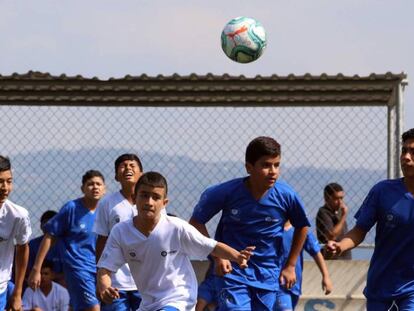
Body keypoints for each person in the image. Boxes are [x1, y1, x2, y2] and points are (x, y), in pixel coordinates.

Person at [97, 172, 255, 311]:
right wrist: (105, 288)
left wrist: (237, 256)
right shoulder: (121, 231)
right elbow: (105, 269)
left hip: (179, 298)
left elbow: (211, 246)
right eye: (144, 195)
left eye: (156, 197)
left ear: (164, 203)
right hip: (148, 304)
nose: (149, 202)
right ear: (134, 198)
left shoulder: (177, 228)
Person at [189, 136, 311, 310]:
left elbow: (302, 226)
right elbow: (195, 222)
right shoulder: (225, 192)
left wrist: (290, 265)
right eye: (266, 165)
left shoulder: (286, 196)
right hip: (232, 274)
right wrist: (218, 255)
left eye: (276, 165)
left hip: (267, 275)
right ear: (249, 167)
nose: (273, 171)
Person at [326, 128, 414, 310]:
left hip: (411, 290)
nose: (406, 157)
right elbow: (359, 231)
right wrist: (340, 246)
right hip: (380, 288)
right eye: (404, 150)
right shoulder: (382, 191)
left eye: (413, 152)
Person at [28, 170, 106, 311]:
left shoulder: (105, 210)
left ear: (104, 189)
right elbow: (49, 236)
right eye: (90, 184)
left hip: (99, 269)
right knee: (94, 308)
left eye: (98, 184)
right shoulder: (71, 208)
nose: (95, 187)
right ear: (83, 188)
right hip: (78, 269)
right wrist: (36, 268)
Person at [94, 154, 143, 311]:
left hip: (145, 280)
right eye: (123, 166)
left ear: (141, 173)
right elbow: (102, 241)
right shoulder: (107, 204)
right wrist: (100, 276)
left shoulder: (152, 203)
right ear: (116, 176)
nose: (127, 168)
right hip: (116, 281)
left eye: (132, 165)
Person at [275, 220, 333, 311]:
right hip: (277, 284)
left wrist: (326, 276)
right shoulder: (271, 229)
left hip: (294, 286)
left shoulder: (301, 230)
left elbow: (316, 252)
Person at [0, 155, 32, 311]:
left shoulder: (18, 215)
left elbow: (22, 248)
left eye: (9, 181)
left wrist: (18, 293)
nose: (5, 187)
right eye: (0, 181)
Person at [27, 210, 64, 285]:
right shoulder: (33, 244)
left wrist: (54, 276)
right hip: (38, 282)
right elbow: (27, 269)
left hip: (61, 283)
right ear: (41, 226)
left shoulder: (65, 244)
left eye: (52, 223)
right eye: (45, 223)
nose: (49, 226)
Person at [316, 183, 351, 259]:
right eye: (336, 198)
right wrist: (344, 216)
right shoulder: (323, 213)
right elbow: (331, 236)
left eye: (341, 198)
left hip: (345, 259)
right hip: (332, 260)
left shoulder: (340, 212)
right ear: (327, 198)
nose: (340, 202)